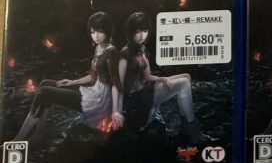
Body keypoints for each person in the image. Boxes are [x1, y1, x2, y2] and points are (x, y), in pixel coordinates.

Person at [13, 12, 123, 143]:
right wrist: (72, 82)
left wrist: (116, 111)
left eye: (100, 31)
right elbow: (92, 76)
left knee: (44, 92)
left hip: (100, 101)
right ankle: (38, 133)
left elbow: (115, 82)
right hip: (93, 91)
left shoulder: (111, 52)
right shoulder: (99, 48)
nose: (96, 36)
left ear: (108, 31)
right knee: (45, 84)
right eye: (93, 32)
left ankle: (18, 140)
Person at [118, 12, 213, 142]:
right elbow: (119, 84)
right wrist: (118, 111)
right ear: (131, 32)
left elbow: (147, 76)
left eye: (145, 31)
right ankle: (193, 130)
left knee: (186, 76)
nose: (141, 35)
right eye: (137, 31)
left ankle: (184, 126)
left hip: (147, 90)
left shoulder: (142, 49)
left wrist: (161, 79)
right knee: (184, 83)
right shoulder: (125, 52)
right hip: (137, 99)